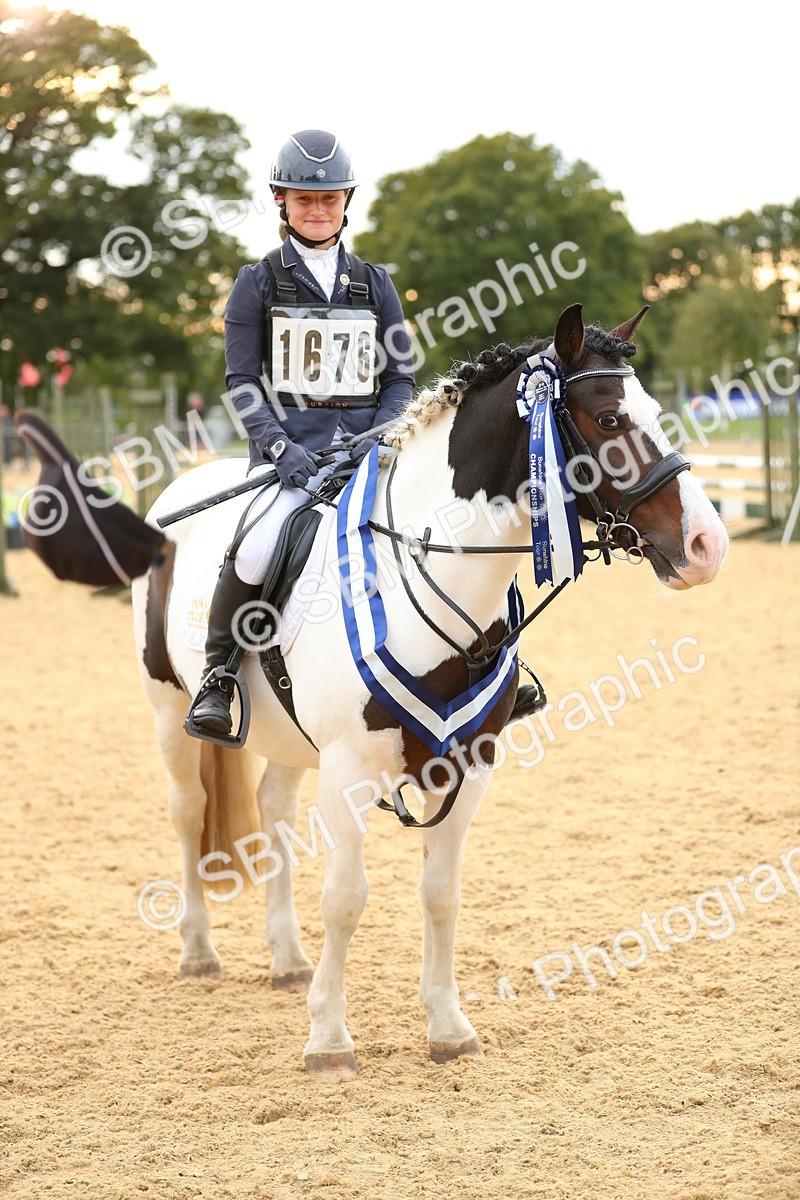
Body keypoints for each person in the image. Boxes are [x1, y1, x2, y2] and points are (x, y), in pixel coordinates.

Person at [187, 130, 416, 740]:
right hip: (293, 461)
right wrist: (279, 446)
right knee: (260, 545)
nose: (318, 211)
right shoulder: (256, 282)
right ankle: (219, 674)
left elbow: (401, 378)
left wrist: (379, 435)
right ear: (281, 201)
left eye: (329, 200)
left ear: (346, 202)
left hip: (367, 453)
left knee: (440, 524)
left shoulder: (376, 284)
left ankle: (496, 666)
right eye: (304, 200)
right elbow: (241, 381)